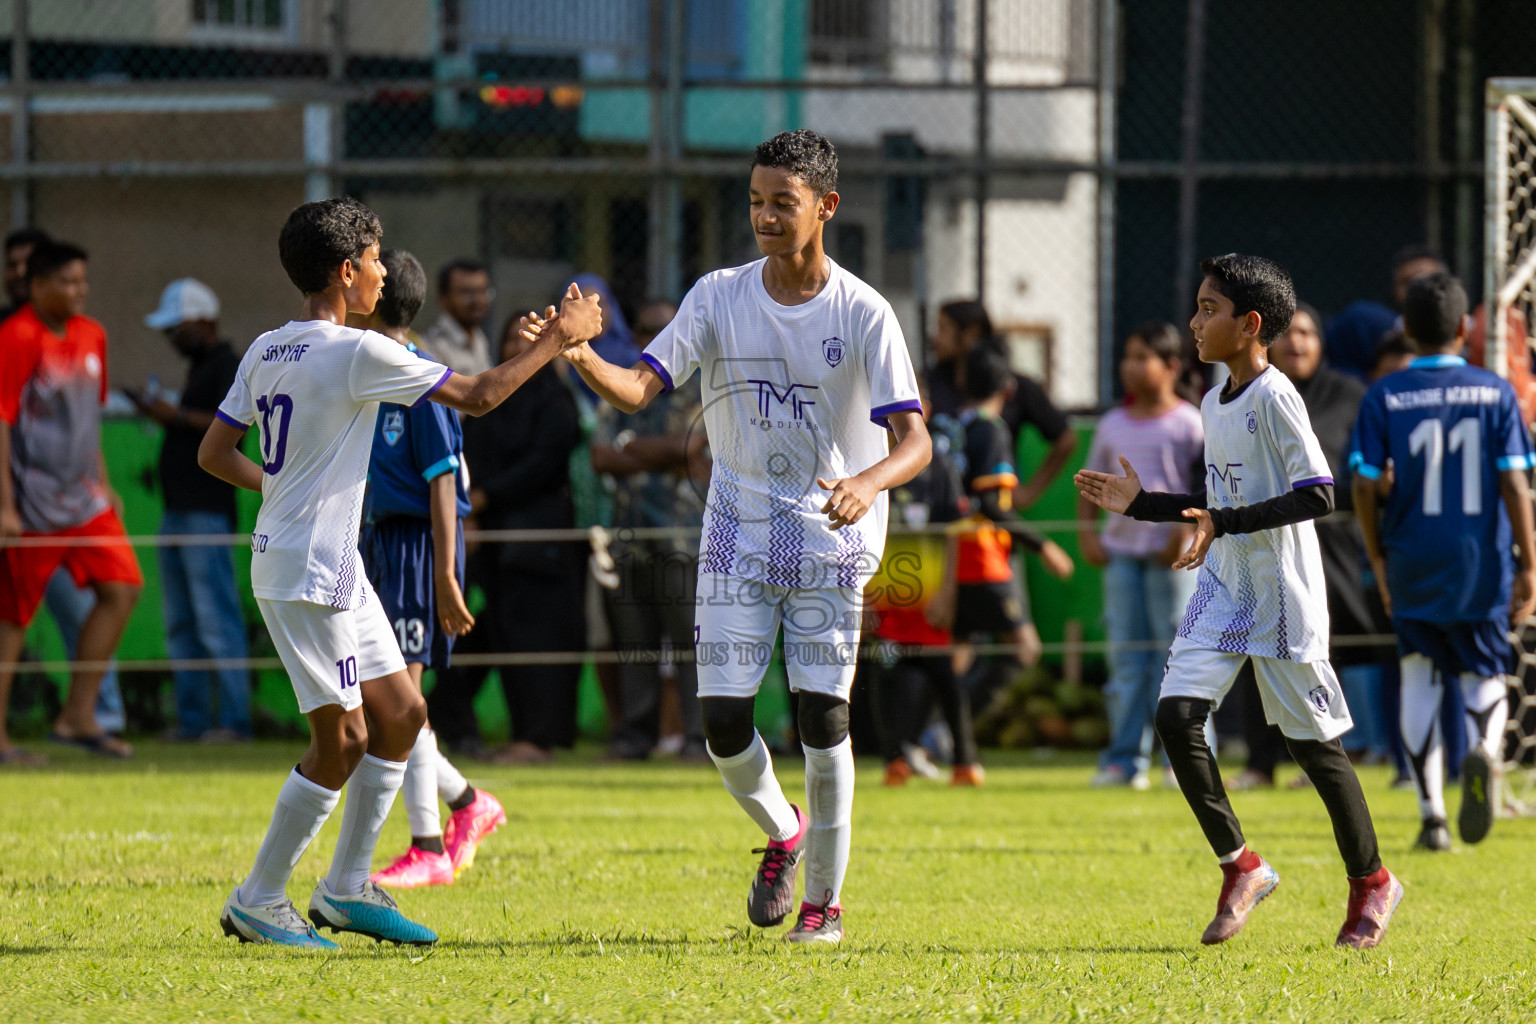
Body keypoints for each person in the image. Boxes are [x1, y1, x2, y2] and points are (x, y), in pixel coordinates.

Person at [556, 129, 932, 944]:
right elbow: (636, 388)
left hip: (833, 539)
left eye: (781, 203)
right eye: (756, 201)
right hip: (734, 529)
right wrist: (579, 352)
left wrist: (868, 483)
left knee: (822, 723)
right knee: (723, 724)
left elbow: (915, 442)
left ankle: (824, 908)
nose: (763, 215)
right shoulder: (717, 295)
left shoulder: (864, 311)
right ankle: (783, 831)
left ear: (825, 207)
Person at [199, 196, 601, 948]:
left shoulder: (267, 348)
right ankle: (257, 898)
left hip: (331, 563)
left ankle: (347, 888)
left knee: (406, 714)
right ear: (347, 272)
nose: (385, 272)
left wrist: (281, 492)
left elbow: (214, 453)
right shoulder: (358, 351)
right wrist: (559, 343)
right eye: (377, 260)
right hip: (308, 573)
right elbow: (478, 397)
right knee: (344, 738)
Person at [1076, 253, 1401, 950]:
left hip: (1282, 592)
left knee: (1315, 751)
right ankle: (1241, 865)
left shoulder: (1277, 396)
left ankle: (1373, 882)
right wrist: (1149, 505)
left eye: (1208, 309)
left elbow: (1318, 492)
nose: (1194, 322)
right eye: (1196, 306)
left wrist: (1221, 522)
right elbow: (1219, 505)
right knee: (1176, 716)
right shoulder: (1210, 399)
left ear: (1250, 325)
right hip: (1227, 583)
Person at [1350, 272, 1536, 852]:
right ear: (1464, 328)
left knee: (1418, 673)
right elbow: (1513, 480)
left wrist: (1378, 559)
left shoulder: (1384, 394)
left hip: (1411, 555)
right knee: (1484, 670)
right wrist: (1530, 562)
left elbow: (1360, 483)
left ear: (1404, 329)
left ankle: (1432, 816)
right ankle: (1483, 747)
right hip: (1479, 556)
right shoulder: (1495, 391)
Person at [349, 249, 507, 888]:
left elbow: (444, 483)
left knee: (401, 704)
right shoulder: (365, 373)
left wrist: (445, 573)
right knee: (389, 700)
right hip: (380, 546)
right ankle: (468, 803)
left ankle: (428, 846)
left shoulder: (422, 380)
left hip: (419, 550)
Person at [0, 241, 142, 763]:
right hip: (32, 505)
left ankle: (78, 716)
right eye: (67, 281)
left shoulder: (93, 335)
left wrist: (104, 483)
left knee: (124, 589)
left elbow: (90, 420)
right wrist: (5, 504)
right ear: (37, 287)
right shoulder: (16, 336)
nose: (79, 290)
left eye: (82, 280)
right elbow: (3, 421)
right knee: (13, 619)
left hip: (86, 502)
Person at [122, 278, 253, 743]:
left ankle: (235, 722)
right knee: (182, 624)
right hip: (176, 509)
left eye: (177, 329)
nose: (172, 339)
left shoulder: (230, 366)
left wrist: (171, 415)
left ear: (203, 321)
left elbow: (232, 426)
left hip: (207, 512)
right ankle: (194, 721)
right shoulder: (200, 367)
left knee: (216, 619)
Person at [1079, 322, 1203, 790]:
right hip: (1123, 558)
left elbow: (1202, 490)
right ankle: (1124, 759)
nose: (1129, 366)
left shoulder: (1190, 422)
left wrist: (1184, 534)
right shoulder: (1112, 424)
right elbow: (1090, 483)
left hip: (1175, 562)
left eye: (1141, 357)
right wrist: (1088, 535)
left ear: (1171, 366)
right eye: (1126, 356)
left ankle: (1183, 759)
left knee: (1180, 656)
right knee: (1127, 659)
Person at [591, 298, 710, 761]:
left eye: (662, 329)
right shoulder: (621, 383)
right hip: (629, 534)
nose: (651, 338)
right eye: (644, 329)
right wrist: (667, 454)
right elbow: (601, 456)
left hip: (684, 535)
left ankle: (699, 740)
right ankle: (636, 737)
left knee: (690, 643)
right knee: (635, 643)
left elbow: (694, 446)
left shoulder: (699, 385)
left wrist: (631, 446)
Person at [927, 347, 1073, 720]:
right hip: (980, 552)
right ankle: (943, 732)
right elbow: (993, 506)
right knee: (1024, 649)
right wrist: (1043, 546)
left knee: (958, 652)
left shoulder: (950, 425)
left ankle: (920, 738)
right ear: (1009, 390)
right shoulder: (991, 430)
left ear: (962, 383)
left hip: (946, 548)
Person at [421, 258, 494, 376]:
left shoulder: (479, 338)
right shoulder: (432, 346)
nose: (478, 300)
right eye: (466, 292)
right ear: (443, 298)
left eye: (482, 291)